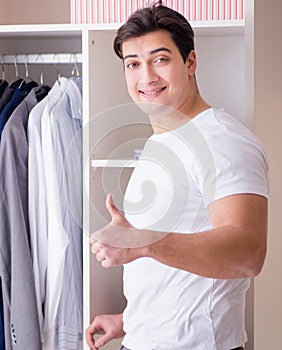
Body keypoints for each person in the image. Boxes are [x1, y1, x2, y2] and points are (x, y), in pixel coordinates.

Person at [86, 2, 269, 350]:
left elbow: (249, 252)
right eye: (133, 64)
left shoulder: (222, 140)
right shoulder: (162, 140)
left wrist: (144, 242)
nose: (147, 77)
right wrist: (131, 320)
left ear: (190, 63)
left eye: (160, 59)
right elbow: (176, 267)